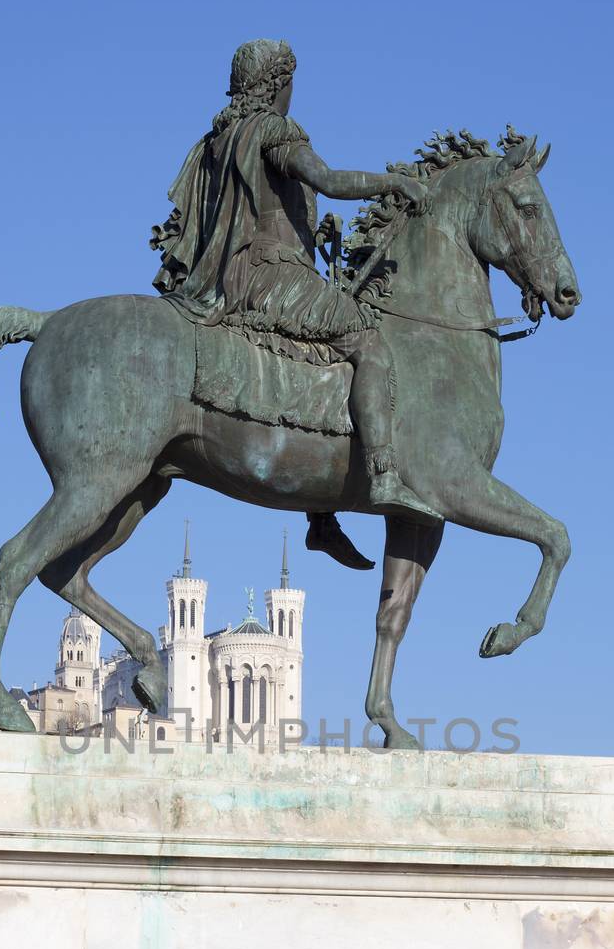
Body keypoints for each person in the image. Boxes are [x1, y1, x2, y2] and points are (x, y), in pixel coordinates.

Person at [152, 39, 443, 568]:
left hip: (230, 274)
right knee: (368, 340)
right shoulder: (271, 130)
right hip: (268, 274)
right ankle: (382, 473)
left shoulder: (216, 140)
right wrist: (395, 182)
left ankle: (320, 514)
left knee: (318, 364)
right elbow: (328, 181)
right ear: (276, 83)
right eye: (290, 81)